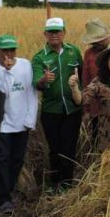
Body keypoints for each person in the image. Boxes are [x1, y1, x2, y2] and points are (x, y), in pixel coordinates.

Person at [31, 17, 83, 190]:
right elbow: (36, 83)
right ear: (45, 34)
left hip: (72, 109)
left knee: (69, 147)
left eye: (58, 31)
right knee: (55, 148)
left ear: (64, 33)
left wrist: (81, 96)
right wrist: (43, 80)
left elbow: (82, 76)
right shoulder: (39, 57)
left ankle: (67, 185)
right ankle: (55, 182)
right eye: (51, 32)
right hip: (51, 111)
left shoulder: (73, 51)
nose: (54, 35)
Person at [0, 35, 38, 213]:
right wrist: (7, 71)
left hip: (22, 122)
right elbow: (0, 94)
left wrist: (30, 119)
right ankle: (3, 199)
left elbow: (32, 93)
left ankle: (8, 191)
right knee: (2, 160)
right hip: (2, 123)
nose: (9, 54)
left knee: (17, 159)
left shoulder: (25, 65)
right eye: (5, 50)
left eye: (12, 50)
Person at [81, 18, 110, 148]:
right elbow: (85, 81)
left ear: (107, 35)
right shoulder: (89, 54)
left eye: (98, 40)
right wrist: (86, 110)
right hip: (97, 109)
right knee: (98, 143)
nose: (95, 43)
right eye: (93, 41)